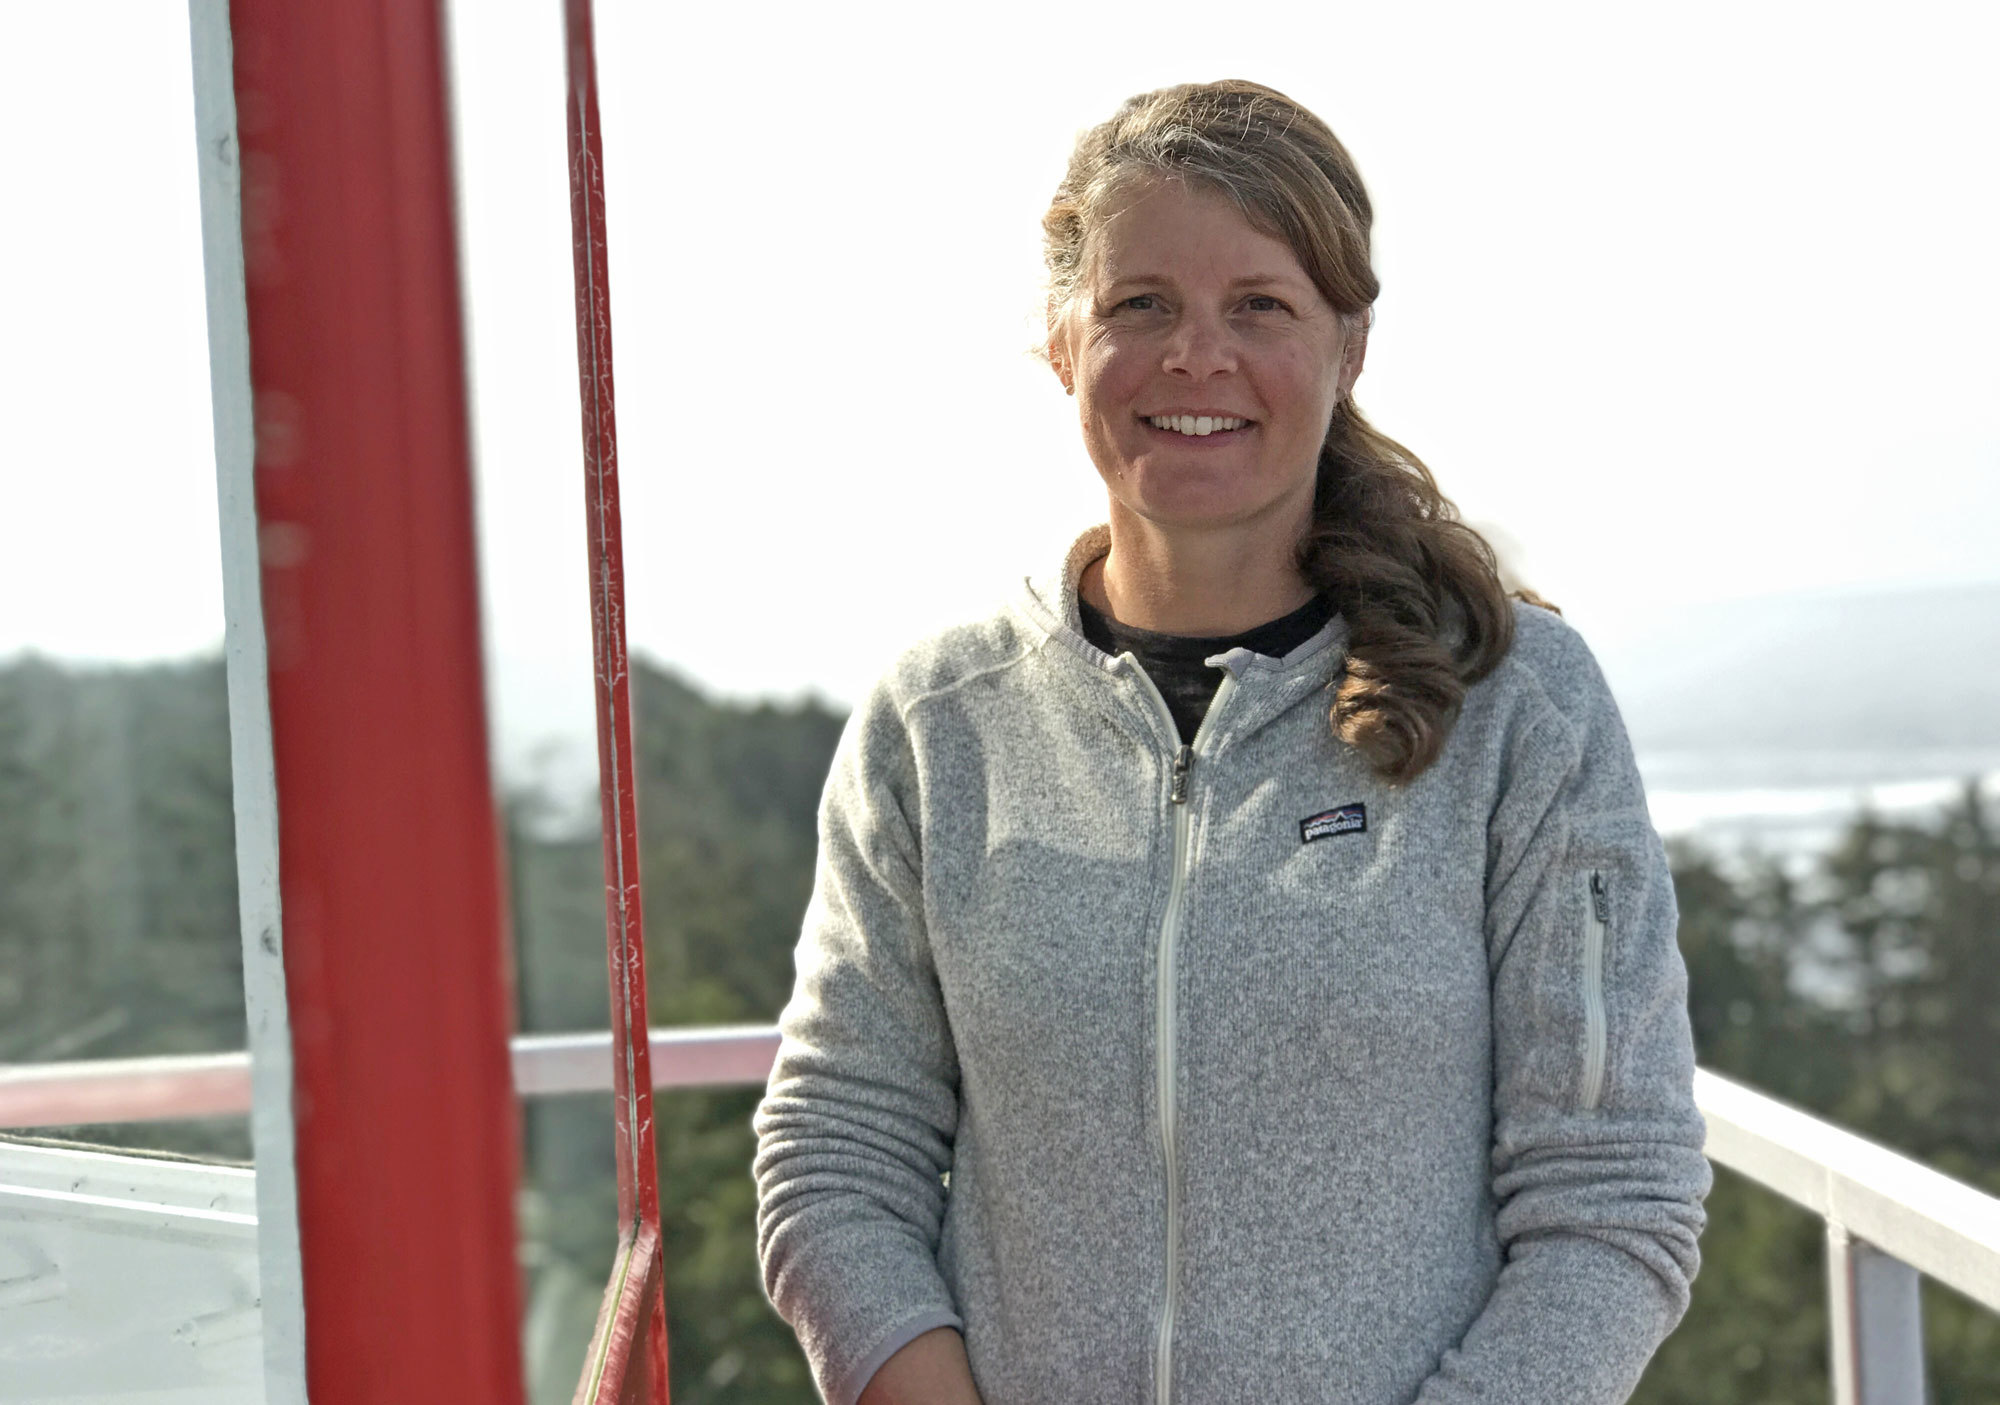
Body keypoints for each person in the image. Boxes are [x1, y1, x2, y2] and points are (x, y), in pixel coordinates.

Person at [753, 79, 1710, 1405]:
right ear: (1062, 339)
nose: (1196, 358)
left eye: (1259, 305)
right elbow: (835, 1146)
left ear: (1349, 342)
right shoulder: (940, 721)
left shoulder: (1515, 702)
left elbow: (1616, 1193)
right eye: (1142, 304)